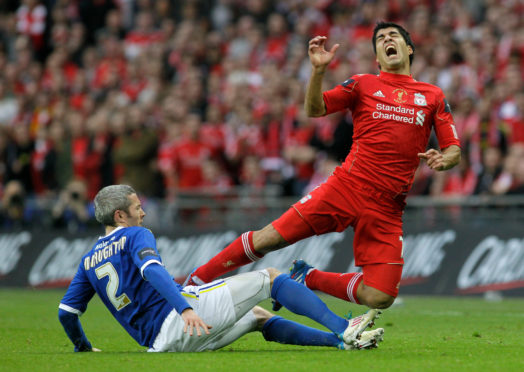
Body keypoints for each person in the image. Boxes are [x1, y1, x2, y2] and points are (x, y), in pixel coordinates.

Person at [184, 22, 461, 312]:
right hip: (346, 187)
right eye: (380, 39)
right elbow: (315, 109)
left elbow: (453, 147)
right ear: (377, 57)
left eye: (393, 36)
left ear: (409, 48)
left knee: (380, 296)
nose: (387, 39)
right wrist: (318, 72)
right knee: (269, 238)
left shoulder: (432, 95)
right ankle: (195, 280)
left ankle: (306, 277)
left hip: (387, 207)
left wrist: (445, 160)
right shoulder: (362, 84)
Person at [58, 185, 385, 352]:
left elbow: (66, 313)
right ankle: (344, 327)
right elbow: (153, 272)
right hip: (182, 321)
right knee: (270, 277)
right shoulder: (135, 234)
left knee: (258, 316)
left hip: (161, 346)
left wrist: (83, 347)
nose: (142, 213)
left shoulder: (89, 260)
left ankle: (340, 343)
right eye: (136, 207)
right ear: (120, 216)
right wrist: (185, 308)